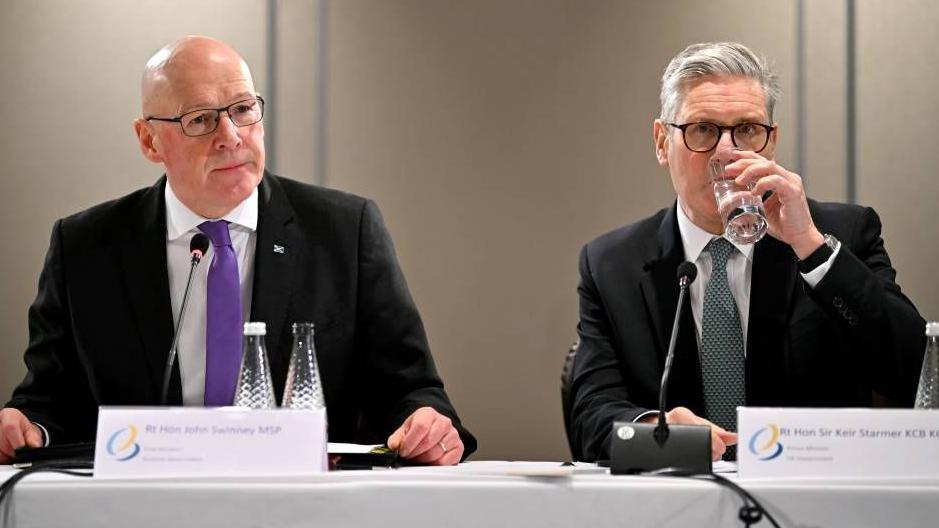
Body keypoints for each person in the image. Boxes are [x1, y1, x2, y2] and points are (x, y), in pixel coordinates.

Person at [0, 36, 474, 465]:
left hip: (305, 512)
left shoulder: (344, 232)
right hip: (141, 510)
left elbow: (411, 391)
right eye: (201, 119)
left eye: (243, 109)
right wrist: (25, 426)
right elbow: (47, 401)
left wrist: (428, 424)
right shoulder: (86, 248)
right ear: (149, 140)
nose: (230, 136)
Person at [569, 42, 925, 462]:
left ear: (771, 143)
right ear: (663, 142)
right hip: (677, 506)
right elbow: (590, 414)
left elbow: (916, 374)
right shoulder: (612, 265)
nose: (726, 152)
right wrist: (654, 429)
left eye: (748, 131)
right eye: (702, 129)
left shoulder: (840, 234)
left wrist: (809, 246)